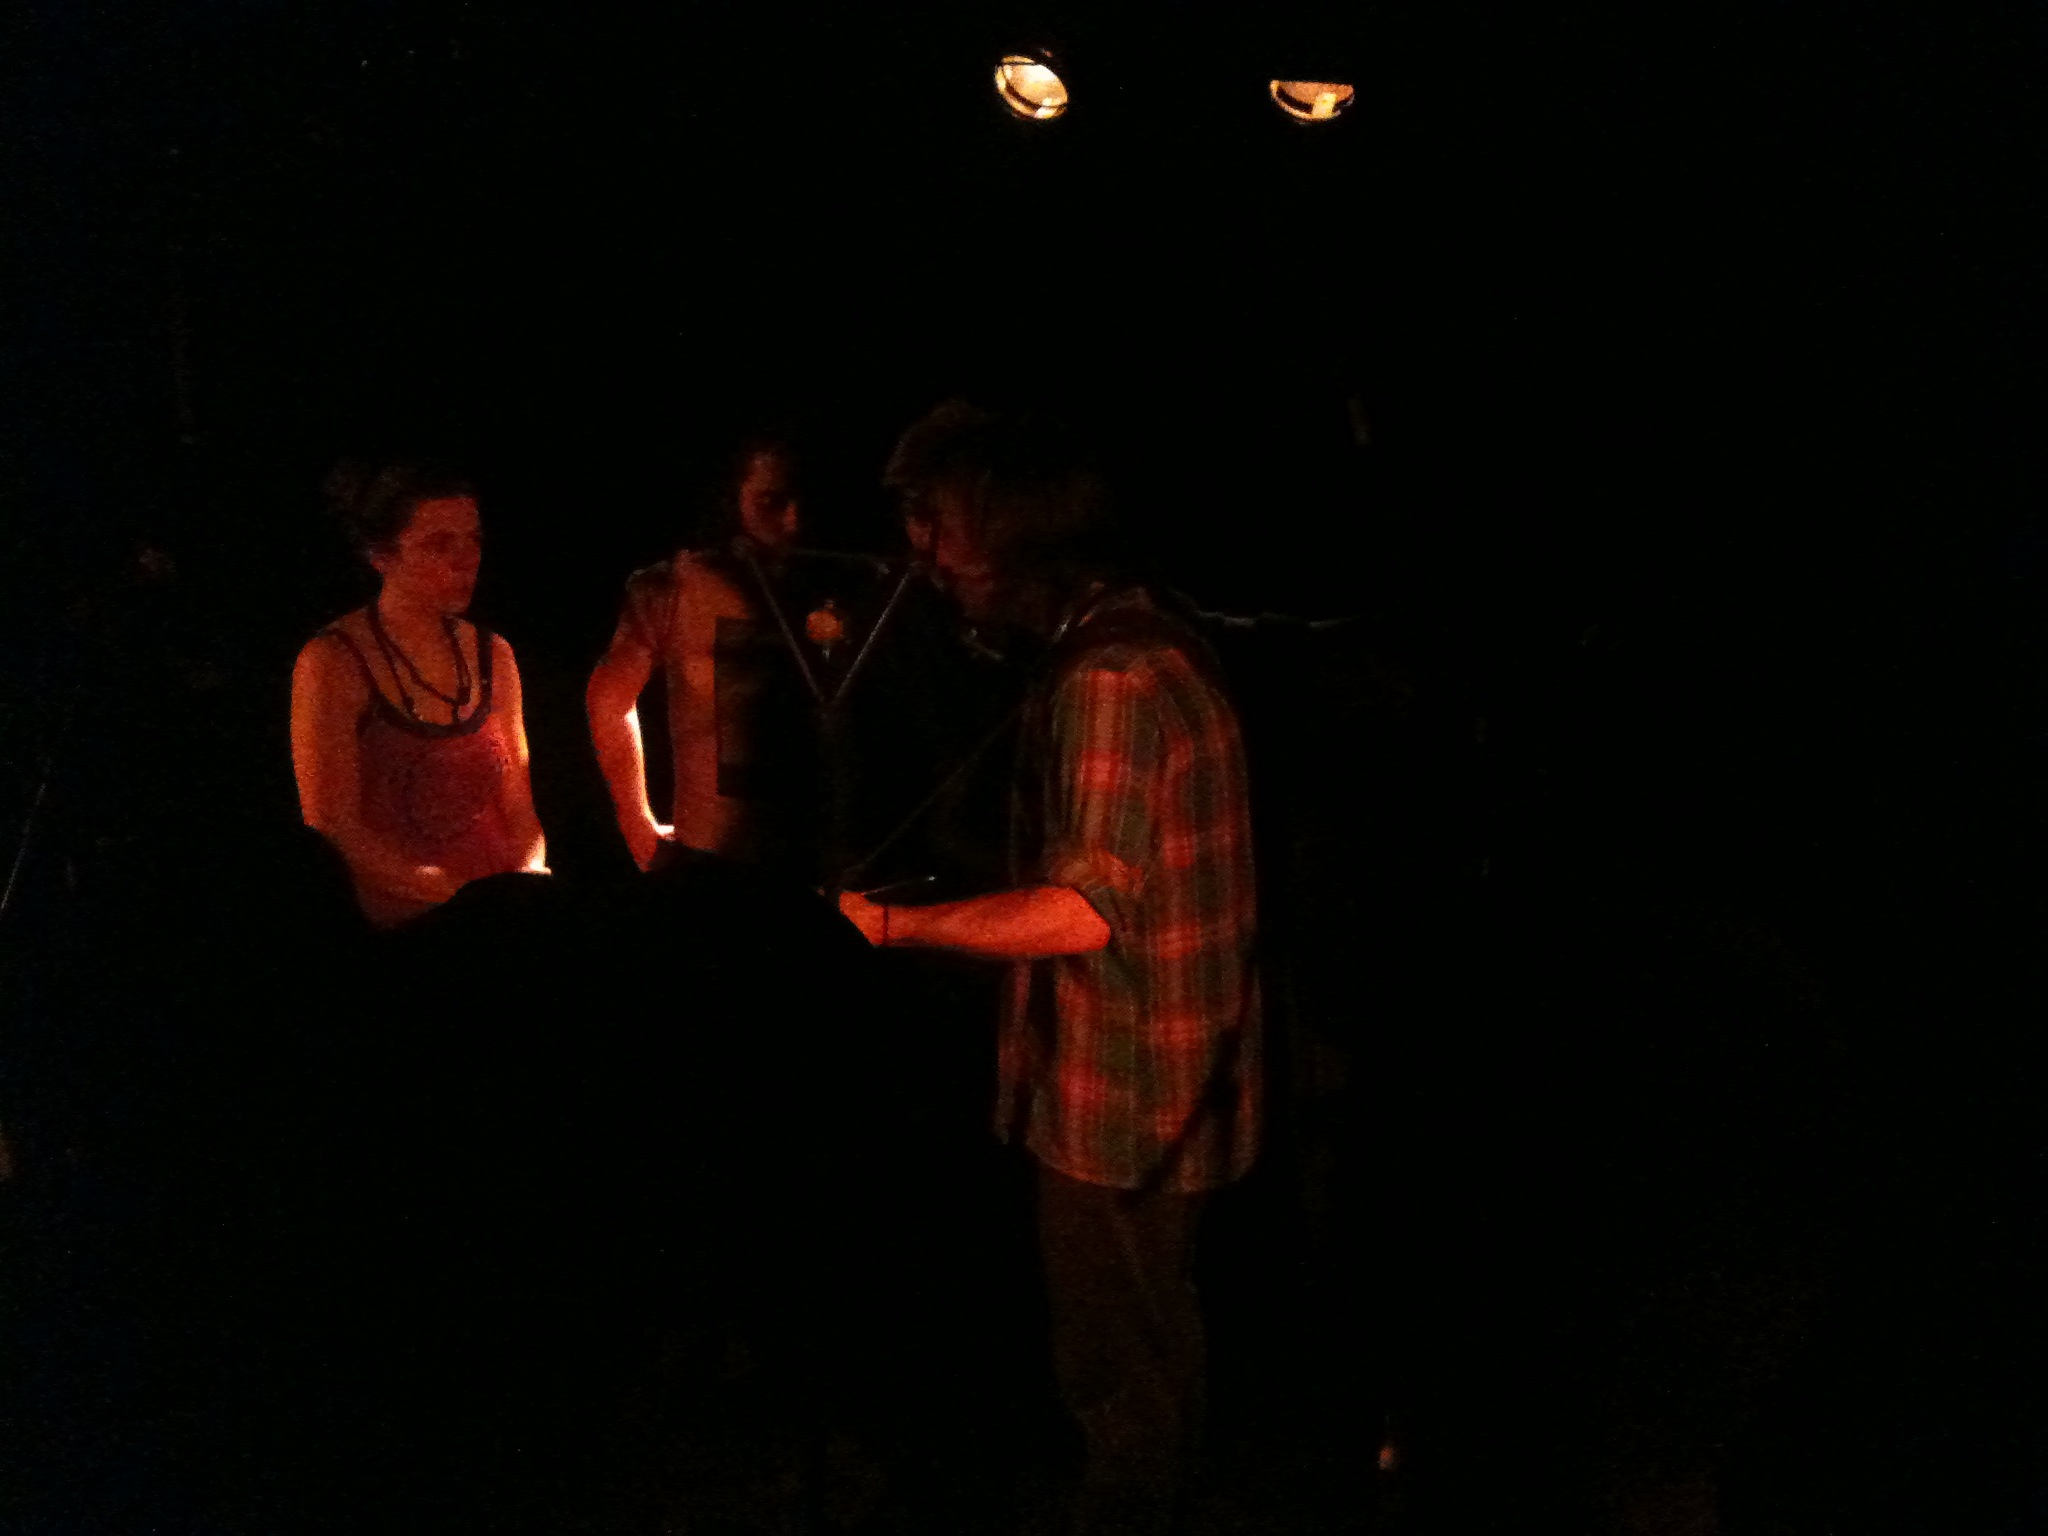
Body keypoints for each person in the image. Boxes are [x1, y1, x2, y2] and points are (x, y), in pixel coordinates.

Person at [837, 413, 1261, 1536]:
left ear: (1015, 528)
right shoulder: (1132, 633)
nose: (923, 554)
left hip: (1124, 1092)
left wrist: (889, 929)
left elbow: (1082, 911)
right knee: (1154, 1333)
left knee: (1113, 1362)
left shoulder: (1110, 680)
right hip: (1168, 1078)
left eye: (940, 526)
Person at [290, 460, 548, 929]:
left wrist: (529, 873)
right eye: (439, 544)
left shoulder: (493, 654)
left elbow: (518, 800)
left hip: (498, 907)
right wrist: (446, 894)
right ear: (381, 555)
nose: (465, 559)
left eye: (474, 539)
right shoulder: (334, 660)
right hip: (406, 919)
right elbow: (332, 825)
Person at [587, 435, 821, 875]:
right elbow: (608, 700)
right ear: (731, 501)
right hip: (706, 866)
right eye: (771, 502)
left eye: (802, 501)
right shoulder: (675, 587)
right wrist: (637, 825)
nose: (792, 523)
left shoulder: (835, 588)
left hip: (816, 863)